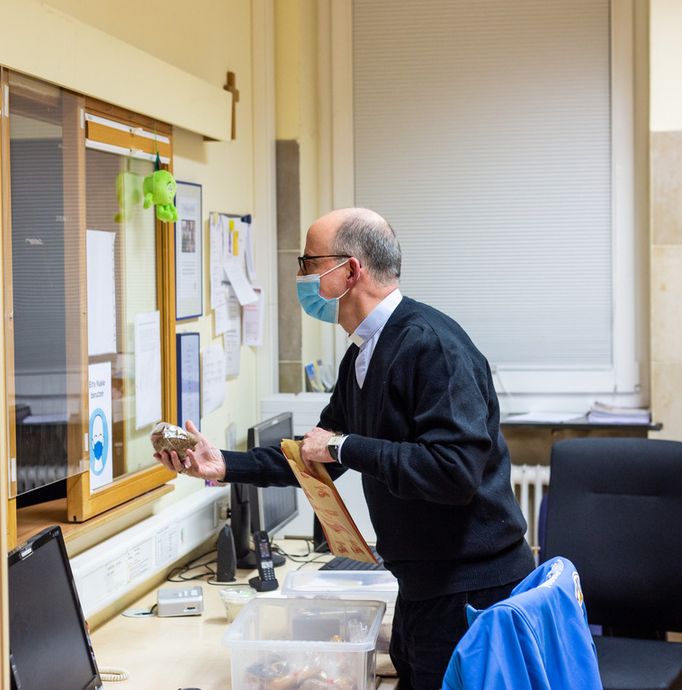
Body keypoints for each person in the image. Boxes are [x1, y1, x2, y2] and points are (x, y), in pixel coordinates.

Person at [154, 207, 535, 690]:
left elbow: (453, 472)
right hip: (422, 586)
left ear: (350, 270)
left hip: (472, 592)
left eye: (308, 263)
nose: (301, 277)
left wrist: (345, 446)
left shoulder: (431, 347)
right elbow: (316, 455)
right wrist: (223, 464)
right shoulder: (364, 352)